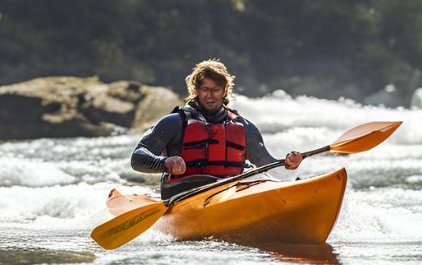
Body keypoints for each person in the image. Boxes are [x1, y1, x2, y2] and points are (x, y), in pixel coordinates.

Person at [130, 59, 303, 199]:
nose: (210, 95)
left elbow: (266, 164)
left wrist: (288, 164)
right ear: (196, 90)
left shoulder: (244, 127)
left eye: (215, 90)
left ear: (225, 91)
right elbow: (138, 157)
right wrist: (164, 163)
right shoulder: (175, 122)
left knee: (261, 180)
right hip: (184, 195)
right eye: (205, 89)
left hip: (228, 193)